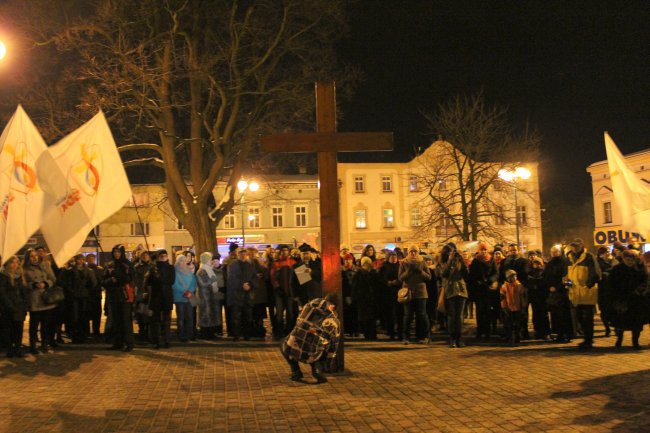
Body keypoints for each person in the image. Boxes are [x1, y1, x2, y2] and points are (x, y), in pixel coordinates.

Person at [281, 297, 341, 384]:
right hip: (313, 354)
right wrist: (328, 363)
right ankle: (317, 370)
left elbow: (298, 323)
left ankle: (295, 371)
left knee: (284, 342)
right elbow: (334, 345)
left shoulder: (308, 306)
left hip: (293, 348)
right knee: (321, 343)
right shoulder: (334, 321)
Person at [566, 238, 601, 350]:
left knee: (587, 318)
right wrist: (567, 282)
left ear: (582, 246)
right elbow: (567, 274)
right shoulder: (569, 258)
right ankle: (586, 339)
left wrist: (588, 285)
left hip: (586, 293)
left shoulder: (589, 257)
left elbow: (595, 273)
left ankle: (589, 340)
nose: (574, 248)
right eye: (573, 246)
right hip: (575, 293)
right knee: (580, 318)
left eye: (577, 246)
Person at [608, 249, 647, 349]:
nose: (630, 261)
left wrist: (639, 291)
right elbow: (612, 285)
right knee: (620, 322)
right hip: (622, 300)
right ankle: (619, 340)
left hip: (636, 300)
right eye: (628, 259)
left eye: (632, 259)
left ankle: (635, 341)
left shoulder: (639, 269)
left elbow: (644, 281)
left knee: (637, 323)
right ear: (623, 259)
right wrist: (615, 298)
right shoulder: (617, 270)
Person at [23, 248, 57, 354]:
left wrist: (45, 283)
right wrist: (33, 284)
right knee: (34, 324)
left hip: (45, 299)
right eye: (32, 256)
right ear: (28, 258)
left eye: (36, 255)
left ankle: (44, 344)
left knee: (45, 324)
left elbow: (53, 279)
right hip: (34, 300)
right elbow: (23, 284)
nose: (34, 257)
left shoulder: (45, 266)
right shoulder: (24, 269)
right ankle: (33, 345)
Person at [102, 245, 135, 352]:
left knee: (126, 321)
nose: (116, 254)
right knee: (116, 321)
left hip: (124, 296)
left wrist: (116, 275)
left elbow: (129, 279)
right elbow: (103, 281)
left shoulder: (127, 265)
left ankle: (129, 343)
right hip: (113, 296)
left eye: (118, 252)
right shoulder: (110, 265)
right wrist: (111, 280)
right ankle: (118, 343)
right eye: (115, 252)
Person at [58, 254, 96, 344]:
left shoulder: (89, 271)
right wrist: (71, 291)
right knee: (74, 317)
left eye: (81, 259)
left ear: (83, 260)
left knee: (83, 316)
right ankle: (75, 335)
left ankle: (83, 335)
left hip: (84, 297)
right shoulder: (70, 271)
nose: (79, 261)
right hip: (74, 297)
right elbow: (67, 283)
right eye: (78, 260)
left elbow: (93, 283)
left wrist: (87, 291)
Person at [399, 246, 432, 344]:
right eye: (411, 251)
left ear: (418, 252)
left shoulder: (422, 262)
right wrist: (408, 272)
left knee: (421, 315)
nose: (413, 253)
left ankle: (422, 336)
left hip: (421, 293)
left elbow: (429, 277)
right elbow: (400, 278)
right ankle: (406, 337)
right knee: (408, 315)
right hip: (407, 292)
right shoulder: (404, 263)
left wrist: (421, 272)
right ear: (408, 252)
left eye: (415, 251)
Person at [0, 256, 30, 358]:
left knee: (19, 329)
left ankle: (18, 348)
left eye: (17, 262)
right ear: (7, 264)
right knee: (8, 329)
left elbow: (24, 292)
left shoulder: (20, 276)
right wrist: (10, 306)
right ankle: (10, 349)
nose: (15, 264)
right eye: (12, 262)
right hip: (9, 308)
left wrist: (25, 305)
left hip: (20, 307)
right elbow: (3, 293)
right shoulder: (3, 276)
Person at [144, 250, 175, 349]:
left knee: (166, 320)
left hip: (166, 297)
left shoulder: (170, 268)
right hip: (156, 297)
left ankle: (166, 340)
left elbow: (171, 281)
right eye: (161, 255)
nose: (163, 257)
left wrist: (160, 279)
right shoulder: (153, 268)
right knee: (155, 321)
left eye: (165, 255)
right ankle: (156, 341)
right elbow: (147, 282)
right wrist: (153, 275)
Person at [468, 242, 499, 340]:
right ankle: (480, 331)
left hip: (489, 289)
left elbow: (496, 273)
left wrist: (491, 280)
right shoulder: (475, 261)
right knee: (480, 311)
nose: (484, 252)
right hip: (479, 289)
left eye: (485, 250)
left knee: (488, 311)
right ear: (479, 250)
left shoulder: (491, 260)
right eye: (482, 250)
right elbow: (471, 275)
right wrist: (477, 281)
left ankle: (487, 332)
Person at [440, 243, 469, 348]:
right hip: (450, 290)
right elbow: (444, 274)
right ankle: (452, 339)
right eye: (450, 252)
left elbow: (466, 274)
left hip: (461, 289)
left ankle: (459, 339)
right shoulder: (443, 261)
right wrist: (450, 260)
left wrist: (462, 260)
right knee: (452, 316)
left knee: (459, 316)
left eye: (454, 251)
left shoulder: (459, 261)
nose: (452, 253)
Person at [544, 245, 572, 343]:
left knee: (564, 314)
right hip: (553, 293)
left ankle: (567, 334)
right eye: (553, 252)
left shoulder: (564, 262)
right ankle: (559, 334)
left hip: (562, 291)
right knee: (555, 315)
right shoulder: (550, 264)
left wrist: (556, 287)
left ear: (559, 252)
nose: (554, 253)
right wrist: (549, 286)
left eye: (556, 251)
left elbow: (566, 276)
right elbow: (546, 277)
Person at [227, 248, 255, 341]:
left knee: (247, 316)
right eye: (241, 253)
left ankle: (247, 335)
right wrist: (241, 285)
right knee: (236, 316)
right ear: (238, 255)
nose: (243, 255)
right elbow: (231, 279)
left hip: (247, 294)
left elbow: (254, 277)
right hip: (236, 294)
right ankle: (236, 335)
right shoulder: (233, 265)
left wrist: (250, 285)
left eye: (244, 253)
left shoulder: (250, 265)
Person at [196, 252, 224, 340]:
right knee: (206, 314)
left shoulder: (209, 269)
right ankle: (205, 333)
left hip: (211, 296)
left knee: (211, 314)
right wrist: (211, 282)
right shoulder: (202, 270)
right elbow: (202, 284)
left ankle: (211, 332)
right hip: (205, 296)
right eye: (209, 259)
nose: (211, 261)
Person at [270, 245, 297, 338]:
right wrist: (277, 288)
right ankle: (279, 331)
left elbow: (302, 278)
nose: (285, 253)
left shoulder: (293, 262)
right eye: (283, 251)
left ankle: (288, 330)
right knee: (279, 314)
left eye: (286, 251)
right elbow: (272, 278)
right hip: (279, 293)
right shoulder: (276, 263)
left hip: (290, 292)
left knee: (290, 312)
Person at [352, 256, 380, 340]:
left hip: (372, 298)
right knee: (364, 317)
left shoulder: (374, 273)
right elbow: (354, 287)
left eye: (368, 263)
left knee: (372, 317)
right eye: (365, 264)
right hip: (362, 298)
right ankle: (366, 333)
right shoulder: (358, 274)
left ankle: (373, 334)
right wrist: (355, 296)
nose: (367, 265)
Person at [172, 254, 197, 342]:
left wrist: (190, 291)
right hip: (179, 297)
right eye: (181, 260)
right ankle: (181, 334)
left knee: (190, 316)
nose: (183, 262)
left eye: (184, 260)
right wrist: (184, 291)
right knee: (181, 317)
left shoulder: (189, 271)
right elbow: (174, 284)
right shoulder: (175, 272)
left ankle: (190, 334)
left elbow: (194, 282)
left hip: (189, 297)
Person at [500, 269, 527, 346]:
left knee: (518, 324)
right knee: (509, 324)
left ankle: (517, 336)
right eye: (512, 276)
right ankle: (510, 338)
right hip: (509, 309)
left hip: (518, 308)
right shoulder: (504, 287)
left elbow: (523, 297)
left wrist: (523, 306)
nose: (514, 277)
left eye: (515, 276)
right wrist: (504, 307)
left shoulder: (519, 286)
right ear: (508, 278)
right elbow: (502, 298)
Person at [133, 251, 155, 341]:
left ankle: (150, 334)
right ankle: (142, 333)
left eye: (147, 255)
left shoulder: (153, 267)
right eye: (143, 255)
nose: (145, 256)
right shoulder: (137, 267)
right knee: (141, 314)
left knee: (150, 315)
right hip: (141, 293)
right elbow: (135, 280)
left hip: (151, 293)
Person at [379, 251, 401, 340]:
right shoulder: (384, 267)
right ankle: (391, 332)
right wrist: (387, 282)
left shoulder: (400, 266)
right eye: (391, 256)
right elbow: (380, 279)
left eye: (395, 256)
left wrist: (397, 282)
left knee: (399, 313)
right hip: (387, 293)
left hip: (399, 292)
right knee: (389, 313)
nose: (393, 258)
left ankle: (400, 332)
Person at [527, 256, 550, 340]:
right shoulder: (530, 274)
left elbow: (546, 284)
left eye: (538, 263)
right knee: (536, 315)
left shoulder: (544, 273)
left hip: (542, 297)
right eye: (535, 263)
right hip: (534, 297)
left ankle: (546, 332)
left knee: (544, 315)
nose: (536, 265)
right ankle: (538, 331)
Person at [596, 246, 614, 337]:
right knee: (604, 310)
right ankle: (607, 328)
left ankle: (613, 327)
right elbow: (599, 275)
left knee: (611, 310)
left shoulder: (611, 262)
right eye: (606, 252)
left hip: (611, 290)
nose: (608, 253)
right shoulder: (598, 263)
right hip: (603, 290)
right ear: (601, 254)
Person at [85, 254, 104, 338]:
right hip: (87, 294)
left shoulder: (99, 269)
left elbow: (101, 280)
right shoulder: (84, 269)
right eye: (89, 259)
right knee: (87, 313)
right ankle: (87, 331)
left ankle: (96, 331)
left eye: (92, 259)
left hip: (96, 294)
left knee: (97, 314)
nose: (91, 260)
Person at [341, 253, 359, 337]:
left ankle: (355, 330)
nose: (347, 261)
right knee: (348, 312)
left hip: (356, 293)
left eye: (349, 259)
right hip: (346, 294)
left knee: (355, 312)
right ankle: (350, 330)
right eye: (346, 260)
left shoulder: (357, 270)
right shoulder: (342, 271)